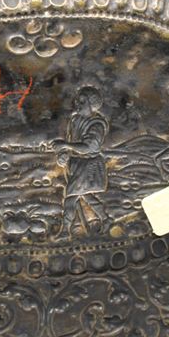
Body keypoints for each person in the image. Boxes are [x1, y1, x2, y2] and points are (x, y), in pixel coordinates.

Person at [50, 86, 109, 239]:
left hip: (88, 166)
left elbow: (89, 147)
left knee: (70, 198)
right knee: (86, 196)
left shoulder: (96, 124)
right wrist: (64, 154)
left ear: (92, 104)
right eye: (77, 101)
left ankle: (65, 231)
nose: (77, 104)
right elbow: (72, 141)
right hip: (76, 165)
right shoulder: (75, 120)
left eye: (82, 101)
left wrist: (65, 145)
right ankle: (106, 219)